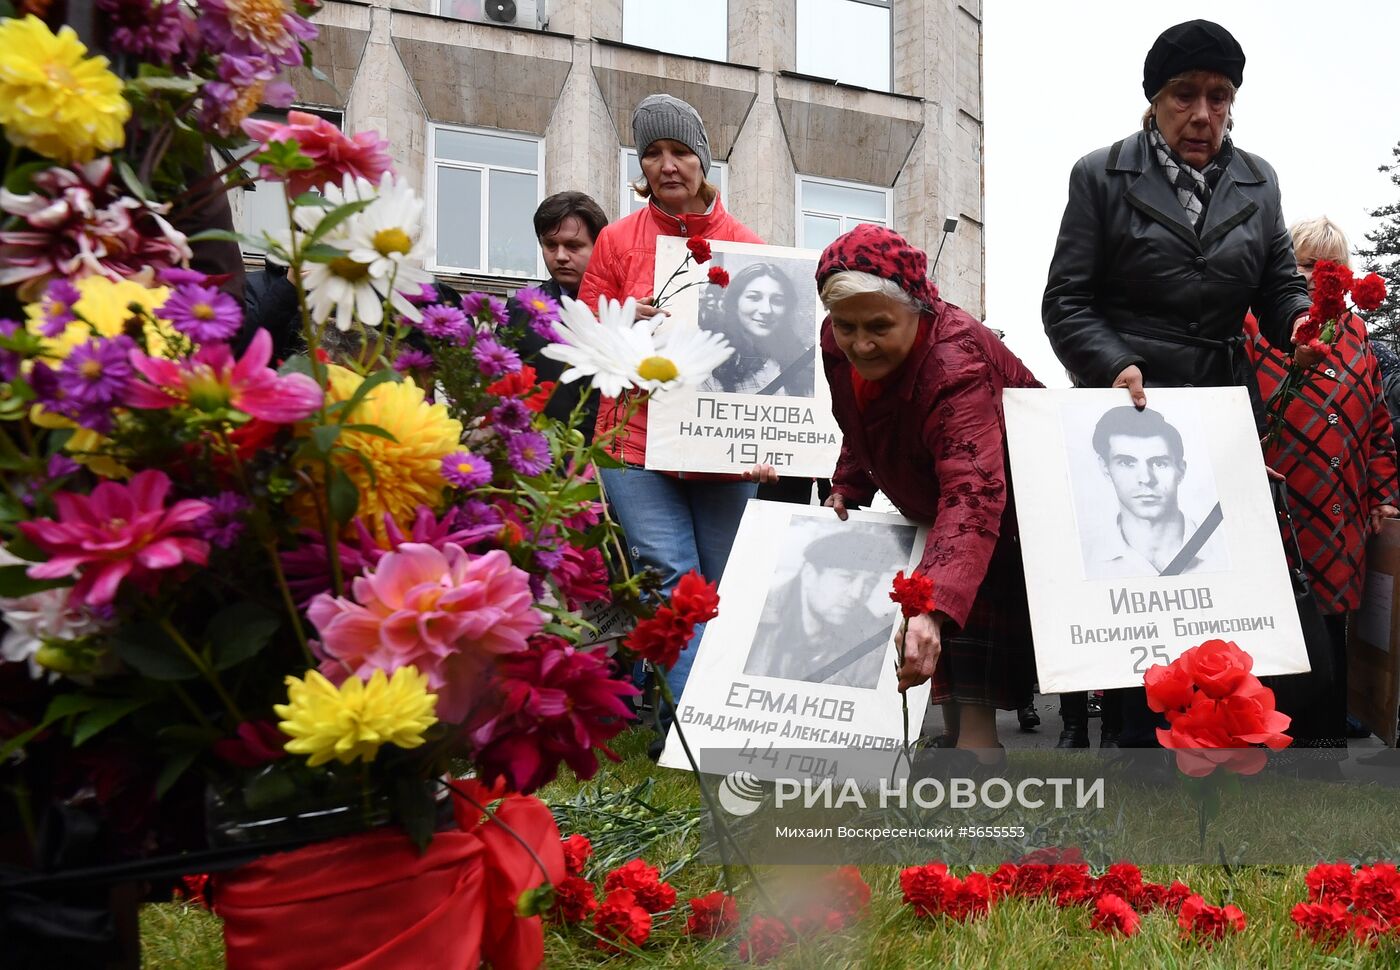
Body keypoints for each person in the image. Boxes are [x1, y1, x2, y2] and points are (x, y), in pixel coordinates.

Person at [1042, 19, 1314, 748]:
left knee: (1221, 588)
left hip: (1223, 415)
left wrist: (1296, 325)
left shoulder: (1259, 180)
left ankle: (1223, 751)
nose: (1203, 115)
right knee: (1142, 588)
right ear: (1153, 100)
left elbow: (1280, 283)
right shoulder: (1101, 174)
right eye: (1184, 96)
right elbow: (1065, 301)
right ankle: (1137, 749)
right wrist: (1111, 365)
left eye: (1219, 98)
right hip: (1135, 404)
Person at [755, 224, 1042, 756]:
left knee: (963, 607)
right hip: (938, 496)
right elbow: (864, 422)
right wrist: (848, 483)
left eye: (879, 327)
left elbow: (974, 495)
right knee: (940, 597)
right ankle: (956, 737)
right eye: (846, 326)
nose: (860, 344)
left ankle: (979, 757)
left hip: (1008, 509)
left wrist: (932, 606)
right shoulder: (835, 341)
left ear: (920, 310)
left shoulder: (955, 362)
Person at [576, 94, 763, 724]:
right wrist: (629, 323)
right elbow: (587, 336)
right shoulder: (615, 241)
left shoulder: (744, 244)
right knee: (670, 578)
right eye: (653, 153)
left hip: (721, 445)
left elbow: (765, 353)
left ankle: (719, 716)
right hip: (635, 442)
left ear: (703, 161)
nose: (667, 165)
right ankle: (692, 727)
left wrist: (772, 441)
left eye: (680, 151)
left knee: (721, 584)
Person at [1243, 216, 1399, 752]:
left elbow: (1378, 427)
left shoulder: (1357, 335)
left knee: (1330, 642)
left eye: (1331, 267)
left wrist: (1383, 495)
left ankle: (1322, 758)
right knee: (1273, 641)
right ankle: (1263, 760)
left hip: (1340, 523)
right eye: (1306, 264)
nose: (1318, 277)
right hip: (1273, 515)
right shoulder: (1253, 325)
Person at [743, 524, 913, 689]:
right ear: (809, 575)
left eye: (870, 583)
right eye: (847, 578)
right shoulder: (754, 614)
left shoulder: (874, 638)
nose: (857, 594)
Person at [1083, 406, 1227, 580]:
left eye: (1159, 463)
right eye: (1127, 463)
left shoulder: (1227, 548)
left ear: (1180, 470)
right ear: (1105, 468)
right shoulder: (1084, 558)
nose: (1145, 478)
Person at [509, 191, 608, 440]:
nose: (561, 256)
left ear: (600, 246)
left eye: (574, 246)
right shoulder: (520, 311)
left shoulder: (625, 309)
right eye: (550, 245)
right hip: (540, 462)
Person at [700, 261, 814, 397]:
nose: (766, 310)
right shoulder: (710, 362)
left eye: (777, 300)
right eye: (754, 298)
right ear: (735, 303)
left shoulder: (804, 359)